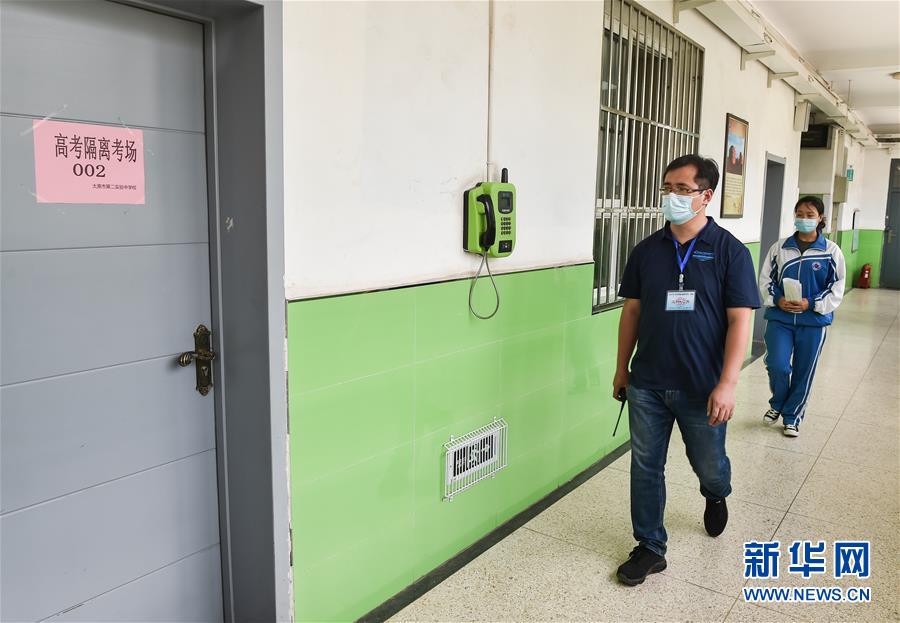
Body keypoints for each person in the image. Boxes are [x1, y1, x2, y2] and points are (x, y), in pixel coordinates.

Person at [612, 155, 760, 586]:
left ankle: (715, 492)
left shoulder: (730, 251)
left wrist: (728, 384)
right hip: (648, 383)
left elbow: (740, 320)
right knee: (645, 466)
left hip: (703, 386)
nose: (671, 196)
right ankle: (649, 546)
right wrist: (622, 369)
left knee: (709, 464)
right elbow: (632, 312)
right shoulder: (646, 251)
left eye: (682, 189)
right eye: (667, 188)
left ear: (705, 196)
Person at [758, 196, 846, 437]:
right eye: (800, 214)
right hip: (780, 319)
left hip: (813, 322)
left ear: (820, 218)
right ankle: (778, 403)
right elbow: (766, 279)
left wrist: (811, 303)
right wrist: (778, 300)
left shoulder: (831, 251)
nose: (804, 219)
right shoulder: (780, 248)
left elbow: (836, 286)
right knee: (777, 364)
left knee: (804, 371)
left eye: (810, 215)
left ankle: (792, 416)